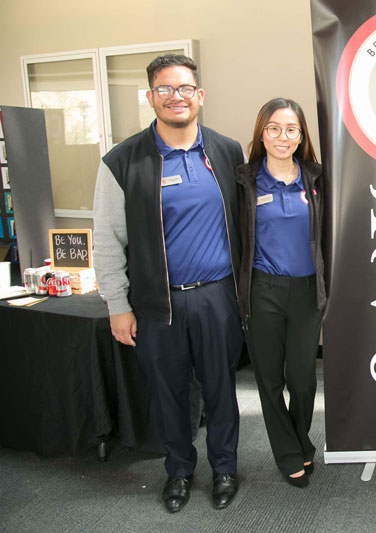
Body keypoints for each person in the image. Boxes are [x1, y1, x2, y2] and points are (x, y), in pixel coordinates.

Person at [93, 54, 244, 513]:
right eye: (165, 89)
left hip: (219, 297)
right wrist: (117, 303)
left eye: (184, 88)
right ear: (150, 97)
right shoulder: (122, 162)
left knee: (221, 391)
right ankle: (179, 470)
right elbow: (105, 240)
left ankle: (224, 467)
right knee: (169, 394)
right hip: (159, 305)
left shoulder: (226, 151)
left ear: (199, 96)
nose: (175, 97)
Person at [235, 98, 326, 488]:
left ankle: (300, 438)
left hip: (307, 292)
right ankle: (289, 452)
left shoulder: (318, 180)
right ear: (261, 132)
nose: (282, 136)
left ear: (301, 135)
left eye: (291, 129)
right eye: (274, 128)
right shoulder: (244, 181)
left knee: (303, 380)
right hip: (262, 291)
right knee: (270, 380)